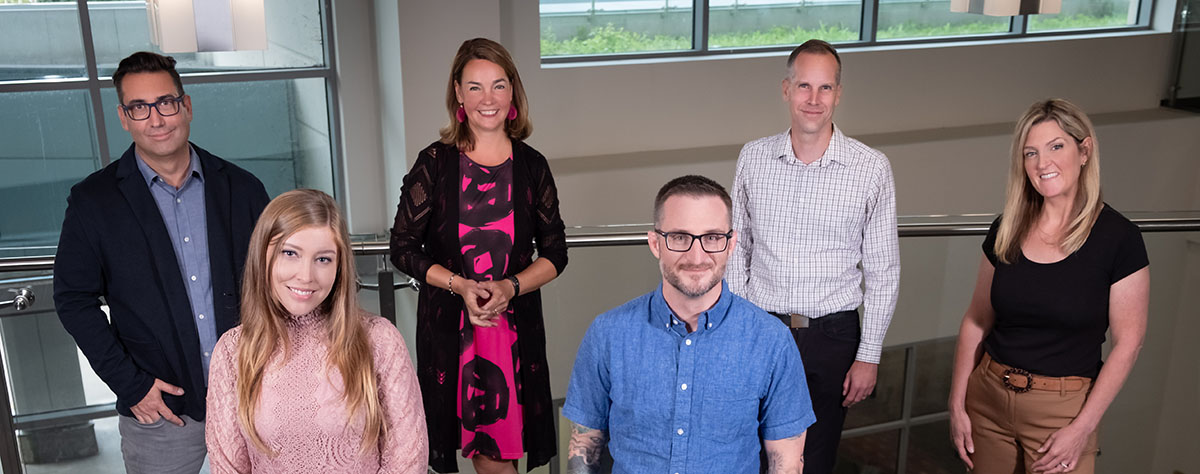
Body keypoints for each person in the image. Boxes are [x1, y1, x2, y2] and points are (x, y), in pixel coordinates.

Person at [53, 51, 269, 473]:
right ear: (123, 117)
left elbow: (279, 286)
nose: (156, 119)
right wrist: (131, 386)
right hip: (161, 412)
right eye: (139, 107)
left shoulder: (244, 189)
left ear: (186, 106)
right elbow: (73, 299)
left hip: (254, 401)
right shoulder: (93, 202)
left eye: (166, 103)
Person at [389, 37, 567, 474]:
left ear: (513, 93)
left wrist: (511, 286)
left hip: (511, 334)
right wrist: (459, 285)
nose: (487, 99)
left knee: (498, 457)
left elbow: (556, 252)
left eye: (498, 85)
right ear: (457, 93)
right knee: (468, 453)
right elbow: (402, 247)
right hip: (452, 333)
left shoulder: (532, 166)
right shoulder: (434, 163)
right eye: (475, 87)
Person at [726, 39, 900, 473]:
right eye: (804, 86)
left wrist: (870, 354)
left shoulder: (871, 168)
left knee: (815, 460)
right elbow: (736, 248)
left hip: (834, 338)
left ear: (839, 94)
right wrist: (738, 325)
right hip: (762, 329)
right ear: (786, 89)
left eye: (825, 88)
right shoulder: (753, 158)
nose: (814, 99)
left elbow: (883, 269)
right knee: (751, 455)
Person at [948, 99, 1149, 474]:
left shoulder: (1119, 239)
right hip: (988, 399)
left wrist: (1082, 429)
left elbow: (1129, 343)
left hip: (1063, 413)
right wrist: (957, 405)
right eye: (1031, 153)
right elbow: (976, 320)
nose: (1043, 163)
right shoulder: (1006, 227)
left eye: (1056, 146)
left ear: (1084, 150)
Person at [563, 175, 816, 474]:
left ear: (731, 243)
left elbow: (786, 463)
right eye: (680, 237)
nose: (697, 257)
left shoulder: (772, 341)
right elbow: (583, 452)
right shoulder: (607, 334)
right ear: (655, 243)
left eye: (712, 237)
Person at [204, 189, 427, 473]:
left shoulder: (379, 340)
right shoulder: (233, 351)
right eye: (290, 253)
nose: (306, 276)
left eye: (323, 259)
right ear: (263, 256)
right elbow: (228, 467)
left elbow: (407, 460)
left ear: (339, 267)